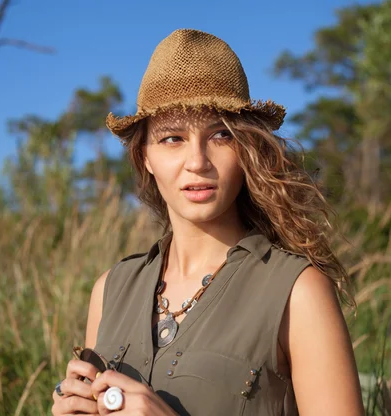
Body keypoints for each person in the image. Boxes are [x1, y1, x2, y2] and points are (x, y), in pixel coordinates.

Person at [52, 28, 364, 415]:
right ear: (144, 157)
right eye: (172, 138)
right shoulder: (111, 290)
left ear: (247, 149)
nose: (197, 162)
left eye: (220, 135)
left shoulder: (298, 291)